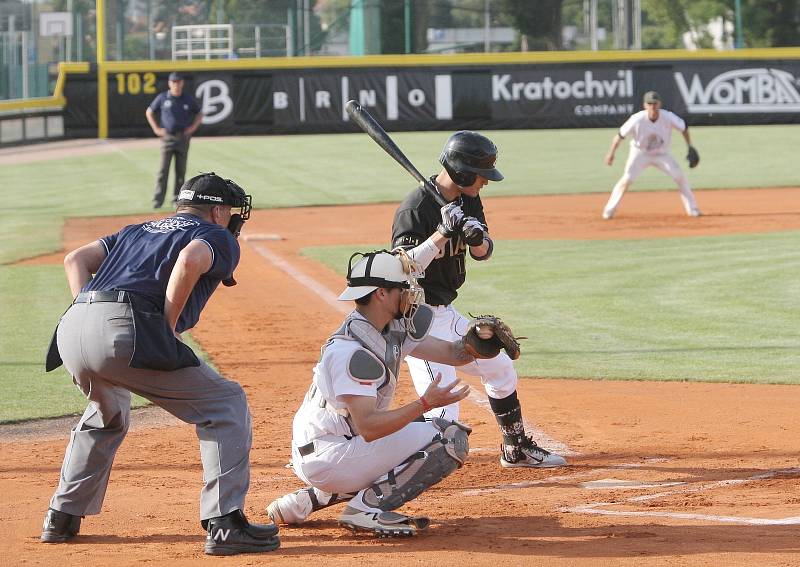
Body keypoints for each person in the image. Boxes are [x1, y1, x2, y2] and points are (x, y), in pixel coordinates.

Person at [40, 173, 280, 556]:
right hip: (127, 329)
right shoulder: (215, 234)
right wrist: (165, 327)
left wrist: (89, 306)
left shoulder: (137, 230)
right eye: (230, 211)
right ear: (217, 210)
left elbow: (76, 259)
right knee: (225, 404)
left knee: (107, 411)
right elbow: (191, 259)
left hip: (73, 327)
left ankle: (61, 516)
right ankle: (224, 524)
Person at [266, 249, 484, 537]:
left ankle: (310, 499)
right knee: (448, 439)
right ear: (382, 293)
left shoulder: (386, 329)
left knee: (420, 430)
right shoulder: (353, 351)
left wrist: (481, 339)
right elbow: (369, 427)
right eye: (403, 288)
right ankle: (366, 509)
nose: (410, 294)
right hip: (327, 454)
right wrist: (425, 403)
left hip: (334, 443)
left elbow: (455, 354)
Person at [390, 131, 567, 470]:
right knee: (444, 414)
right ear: (462, 171)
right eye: (482, 175)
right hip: (418, 320)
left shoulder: (467, 199)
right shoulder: (415, 209)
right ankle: (380, 451)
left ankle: (515, 450)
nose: (486, 182)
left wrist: (473, 233)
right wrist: (441, 233)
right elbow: (402, 269)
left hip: (446, 312)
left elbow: (484, 252)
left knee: (499, 367)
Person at [602, 90, 702, 219]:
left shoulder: (668, 117)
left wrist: (690, 146)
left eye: (655, 103)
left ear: (659, 104)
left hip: (662, 154)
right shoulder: (636, 119)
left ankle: (692, 209)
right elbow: (619, 136)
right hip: (640, 153)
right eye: (650, 103)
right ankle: (609, 210)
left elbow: (684, 128)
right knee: (627, 179)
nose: (652, 106)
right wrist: (611, 153)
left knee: (679, 177)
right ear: (645, 105)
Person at [146, 71, 203, 209]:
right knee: (163, 170)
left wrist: (192, 128)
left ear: (182, 83)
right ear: (169, 83)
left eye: (178, 82)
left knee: (180, 171)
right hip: (167, 137)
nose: (176, 84)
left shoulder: (187, 99)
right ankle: (158, 200)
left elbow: (199, 113)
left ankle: (177, 199)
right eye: (173, 82)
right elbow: (149, 112)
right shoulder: (163, 97)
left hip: (183, 137)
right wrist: (157, 129)